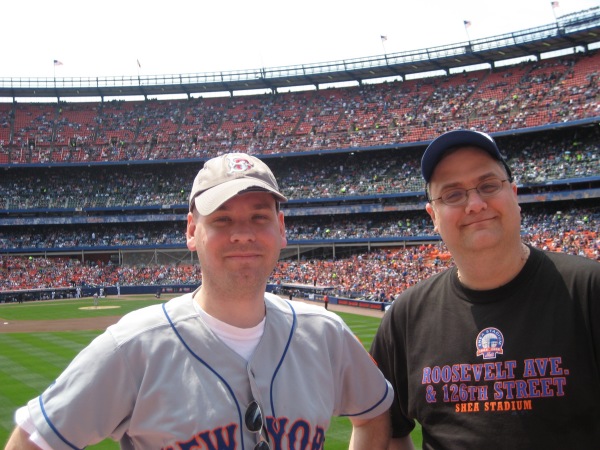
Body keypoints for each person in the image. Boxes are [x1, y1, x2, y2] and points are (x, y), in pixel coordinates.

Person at [6, 152, 393, 450]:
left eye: (259, 217)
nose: (242, 233)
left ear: (281, 228)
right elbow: (31, 441)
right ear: (192, 231)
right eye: (222, 219)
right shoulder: (131, 347)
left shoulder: (327, 334)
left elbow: (374, 415)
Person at [370, 130, 600, 450]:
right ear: (433, 216)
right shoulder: (405, 316)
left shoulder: (589, 290)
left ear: (514, 195)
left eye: (489, 186)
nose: (476, 205)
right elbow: (387, 430)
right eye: (452, 194)